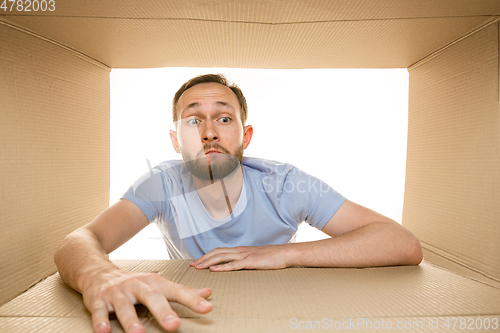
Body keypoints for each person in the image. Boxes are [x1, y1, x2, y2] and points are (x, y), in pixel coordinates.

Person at [54, 74, 423, 333]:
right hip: (198, 313)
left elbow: (401, 243)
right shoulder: (162, 183)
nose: (209, 131)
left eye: (224, 118)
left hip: (278, 314)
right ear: (175, 140)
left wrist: (283, 254)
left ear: (245, 135)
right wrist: (101, 277)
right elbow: (79, 241)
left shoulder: (285, 183)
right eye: (193, 119)